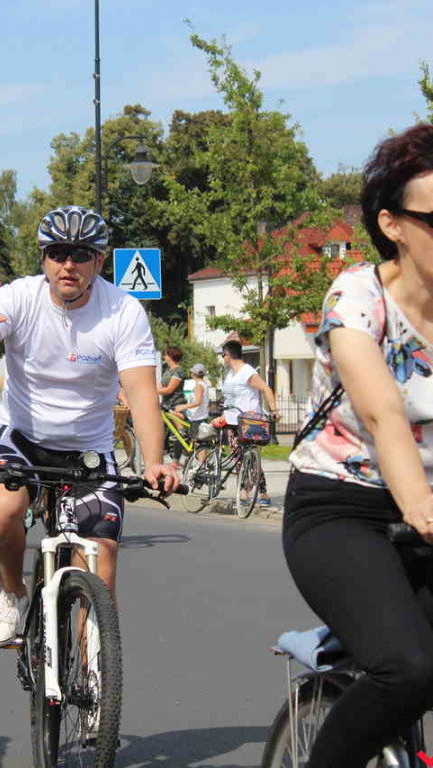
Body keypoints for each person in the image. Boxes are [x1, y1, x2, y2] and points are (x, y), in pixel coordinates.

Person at [0, 205, 180, 648]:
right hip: (22, 438)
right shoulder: (19, 297)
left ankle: (93, 676)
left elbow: (144, 394)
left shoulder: (123, 311)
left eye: (80, 253)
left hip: (88, 450)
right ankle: (13, 596)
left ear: (99, 261)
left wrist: (155, 463)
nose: (68, 263)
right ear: (43, 258)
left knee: (101, 572)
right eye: (57, 253)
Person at [283, 124, 433, 768]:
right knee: (409, 669)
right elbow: (383, 414)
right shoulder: (356, 297)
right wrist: (424, 512)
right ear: (392, 224)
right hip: (340, 509)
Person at [218, 339, 279, 506]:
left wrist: (274, 411)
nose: (223, 358)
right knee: (240, 459)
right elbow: (229, 397)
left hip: (249, 422)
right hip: (231, 421)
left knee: (251, 459)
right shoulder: (230, 373)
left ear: (228, 356)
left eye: (223, 355)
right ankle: (246, 492)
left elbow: (266, 389)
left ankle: (261, 494)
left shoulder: (247, 372)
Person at [157, 346, 186, 412]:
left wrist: (152, 391)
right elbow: (160, 385)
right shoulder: (167, 370)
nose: (164, 357)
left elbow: (169, 390)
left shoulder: (178, 371)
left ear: (170, 356)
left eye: (165, 355)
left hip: (175, 406)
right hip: (166, 405)